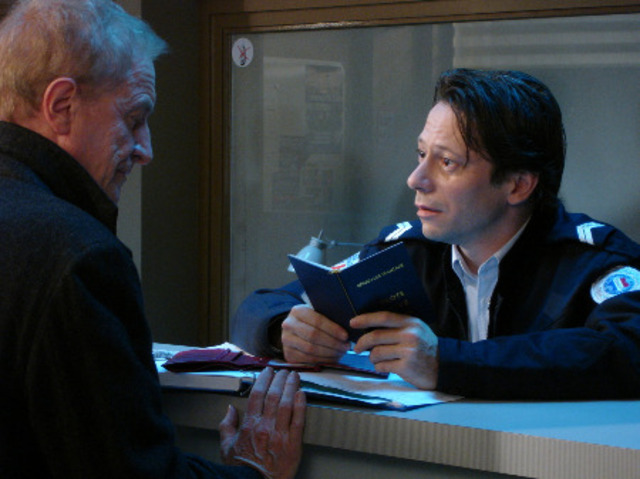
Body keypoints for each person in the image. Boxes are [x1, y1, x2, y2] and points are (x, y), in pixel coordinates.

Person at [0, 1, 305, 478]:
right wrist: (254, 472)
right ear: (61, 106)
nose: (146, 150)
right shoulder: (77, 257)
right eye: (134, 118)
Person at [232, 68, 640, 400]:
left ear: (518, 185)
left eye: (447, 163)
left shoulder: (593, 263)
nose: (415, 179)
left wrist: (446, 362)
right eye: (421, 154)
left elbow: (626, 351)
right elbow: (258, 307)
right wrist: (283, 330)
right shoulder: (409, 252)